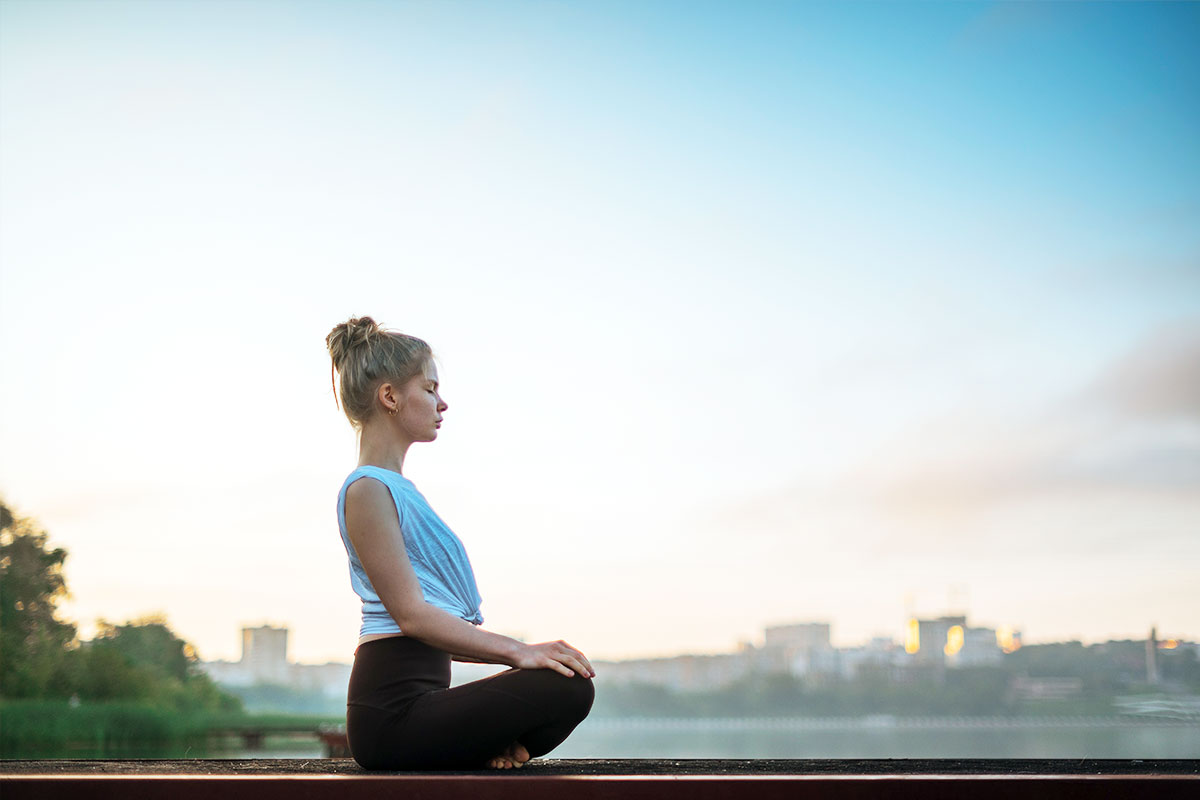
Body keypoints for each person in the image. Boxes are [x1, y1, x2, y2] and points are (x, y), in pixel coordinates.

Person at [326, 316, 595, 771]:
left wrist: (527, 660)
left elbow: (435, 629)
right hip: (390, 716)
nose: (442, 402)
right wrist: (520, 651)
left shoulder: (397, 489)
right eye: (429, 388)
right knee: (563, 685)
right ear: (390, 396)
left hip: (426, 702)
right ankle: (484, 744)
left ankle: (485, 745)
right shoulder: (367, 490)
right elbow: (410, 617)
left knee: (569, 679)